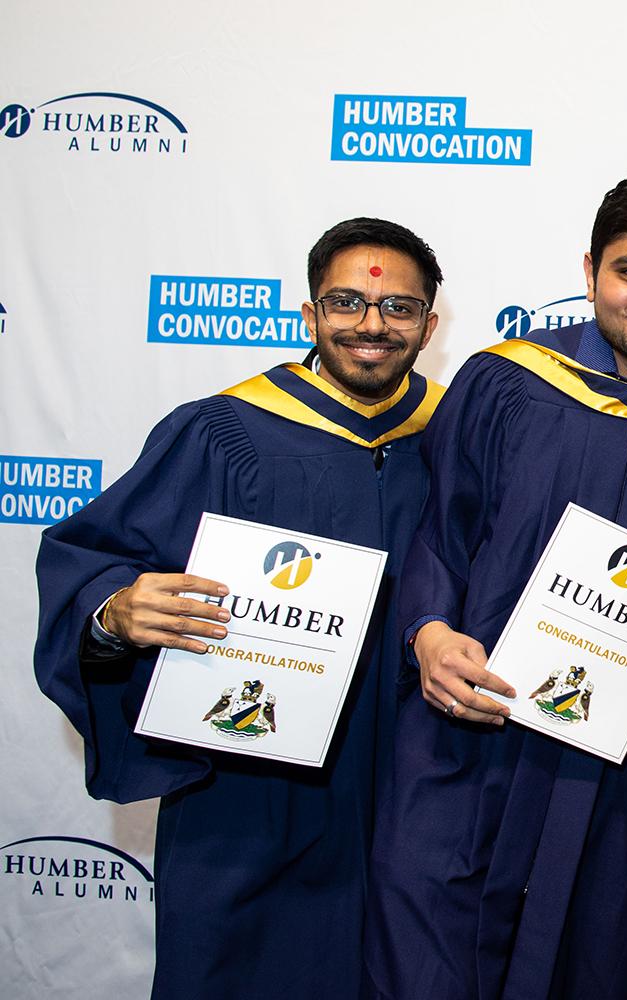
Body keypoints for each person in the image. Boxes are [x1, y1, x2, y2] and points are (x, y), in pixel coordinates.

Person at [363, 172, 627, 1000]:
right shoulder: (506, 383)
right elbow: (438, 530)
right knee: (427, 960)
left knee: (592, 964)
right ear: (591, 270)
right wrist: (428, 635)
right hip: (468, 738)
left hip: (623, 773)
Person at [33, 217, 447, 999]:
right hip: (250, 792)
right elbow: (97, 560)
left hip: (417, 792)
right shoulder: (225, 433)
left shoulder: (462, 437)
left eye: (397, 308)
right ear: (309, 314)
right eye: (346, 302)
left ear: (429, 323)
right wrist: (113, 610)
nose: (370, 324)